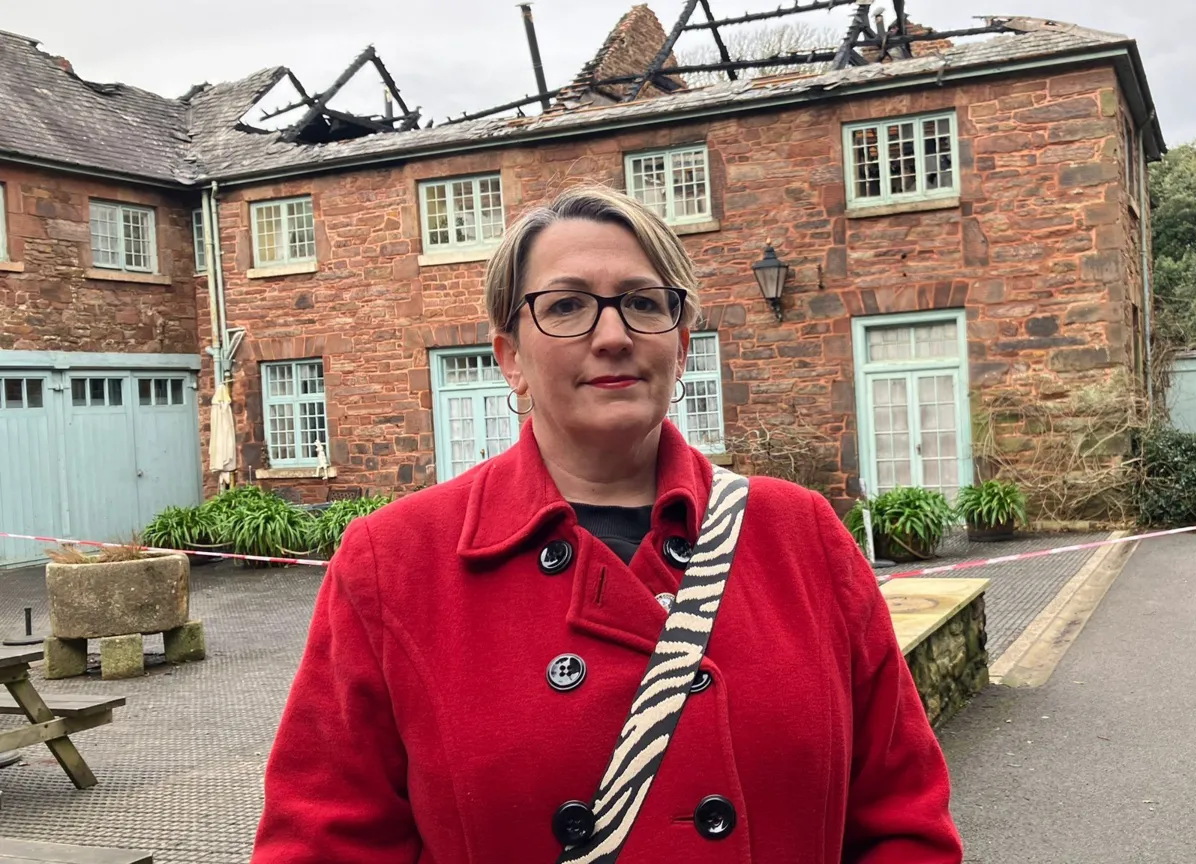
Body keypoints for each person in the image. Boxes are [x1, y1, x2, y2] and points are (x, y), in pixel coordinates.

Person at [250, 184, 963, 862]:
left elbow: (903, 816)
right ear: (510, 358)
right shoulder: (396, 562)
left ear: (681, 344)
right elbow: (323, 844)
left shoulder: (799, 534)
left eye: (643, 303)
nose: (614, 335)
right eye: (565, 307)